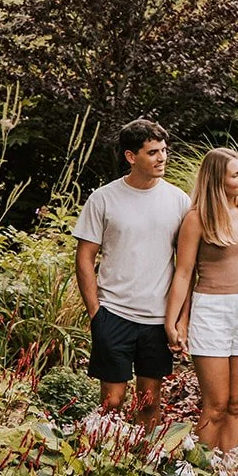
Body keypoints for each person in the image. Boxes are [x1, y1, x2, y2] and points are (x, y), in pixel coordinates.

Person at [73, 118, 192, 432]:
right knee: (111, 402)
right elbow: (84, 258)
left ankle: (142, 466)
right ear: (130, 156)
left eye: (164, 150)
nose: (162, 158)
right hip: (114, 312)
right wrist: (96, 313)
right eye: (153, 152)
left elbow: (187, 266)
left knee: (149, 401)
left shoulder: (179, 201)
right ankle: (103, 465)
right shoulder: (103, 199)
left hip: (157, 319)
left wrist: (181, 319)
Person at [164, 147, 238, 451]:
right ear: (217, 179)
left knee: (237, 404)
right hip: (210, 311)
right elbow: (184, 274)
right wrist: (172, 322)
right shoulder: (196, 219)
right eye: (236, 174)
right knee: (215, 405)